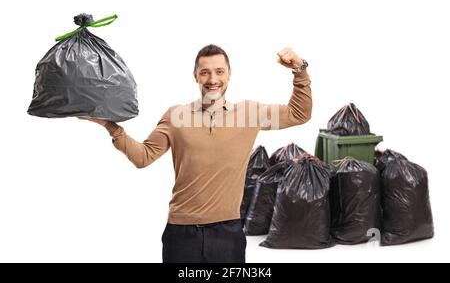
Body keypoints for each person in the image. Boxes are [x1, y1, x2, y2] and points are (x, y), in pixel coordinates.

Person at [78, 44, 312, 263]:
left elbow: (299, 113)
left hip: (228, 233)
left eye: (219, 72)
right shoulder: (176, 116)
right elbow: (143, 156)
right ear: (195, 76)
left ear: (229, 74)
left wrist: (299, 70)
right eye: (205, 73)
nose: (213, 79)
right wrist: (112, 127)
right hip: (181, 234)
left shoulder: (249, 113)